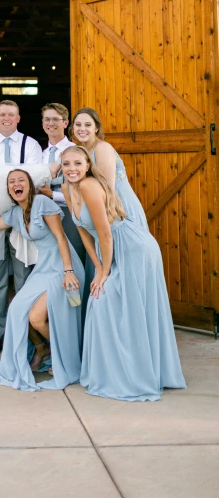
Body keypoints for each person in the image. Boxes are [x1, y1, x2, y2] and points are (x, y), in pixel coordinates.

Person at [61, 145, 186, 401]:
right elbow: (85, 235)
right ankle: (111, 372)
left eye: (77, 164)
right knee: (101, 304)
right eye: (66, 164)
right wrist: (97, 267)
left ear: (87, 166)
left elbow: (105, 233)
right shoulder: (67, 189)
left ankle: (136, 375)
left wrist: (104, 272)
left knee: (117, 305)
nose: (72, 169)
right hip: (108, 249)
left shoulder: (90, 186)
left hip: (131, 246)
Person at [0, 169, 84, 390]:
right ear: (9, 191)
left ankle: (63, 355)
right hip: (43, 268)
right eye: (12, 182)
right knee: (16, 309)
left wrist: (68, 271)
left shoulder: (42, 203)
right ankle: (40, 347)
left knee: (35, 317)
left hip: (62, 266)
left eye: (21, 180)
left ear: (29, 185)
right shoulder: (15, 214)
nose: (16, 184)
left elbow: (61, 237)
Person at [0, 99, 43, 357]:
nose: (6, 118)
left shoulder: (31, 145)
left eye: (10, 115)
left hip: (22, 218)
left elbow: (33, 179)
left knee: (24, 278)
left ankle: (24, 336)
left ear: (18, 118)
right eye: (2, 114)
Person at [70, 107, 148, 229]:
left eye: (88, 125)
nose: (82, 129)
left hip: (117, 205)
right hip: (100, 204)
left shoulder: (102, 148)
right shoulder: (82, 151)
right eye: (78, 124)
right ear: (72, 128)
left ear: (96, 128)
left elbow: (107, 188)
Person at [38, 103, 85, 263]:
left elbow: (81, 191)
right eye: (46, 119)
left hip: (70, 211)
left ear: (65, 123)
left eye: (55, 119)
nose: (50, 123)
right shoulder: (41, 154)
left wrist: (52, 195)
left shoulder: (75, 150)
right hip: (44, 213)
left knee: (74, 257)